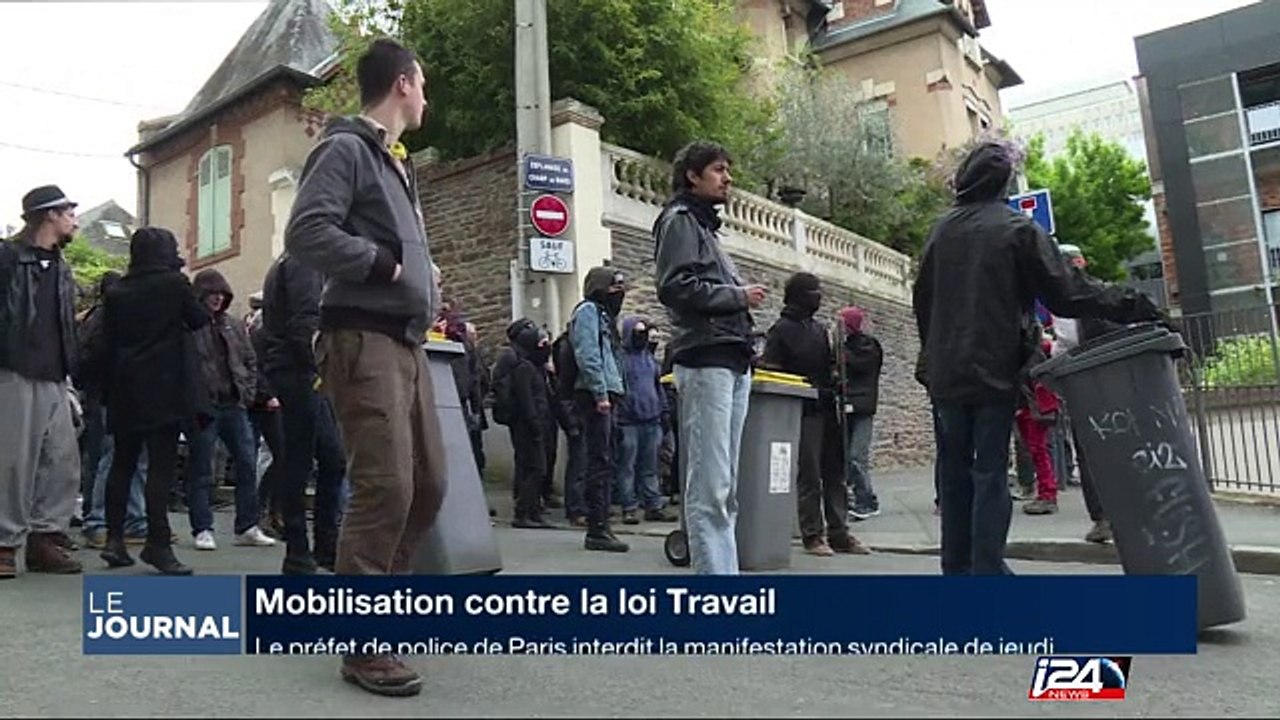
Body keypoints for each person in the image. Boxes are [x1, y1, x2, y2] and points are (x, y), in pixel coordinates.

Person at [912, 141, 1161, 576]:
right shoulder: (1017, 230)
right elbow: (1068, 293)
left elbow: (923, 301)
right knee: (990, 471)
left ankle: (958, 570)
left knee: (954, 473)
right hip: (993, 368)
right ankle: (987, 571)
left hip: (946, 372)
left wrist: (933, 356)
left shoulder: (940, 231)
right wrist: (1136, 304)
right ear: (1004, 183)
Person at [285, 37, 445, 697]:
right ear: (403, 82)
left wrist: (426, 279)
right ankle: (363, 640)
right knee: (386, 487)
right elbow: (306, 232)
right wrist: (387, 266)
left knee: (428, 486)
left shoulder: (394, 161)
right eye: (423, 83)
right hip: (361, 338)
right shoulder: (347, 148)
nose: (427, 96)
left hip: (406, 341)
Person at [653, 141, 767, 575]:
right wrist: (737, 296)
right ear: (692, 175)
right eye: (719, 169)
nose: (728, 178)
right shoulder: (680, 220)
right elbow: (675, 287)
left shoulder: (702, 227)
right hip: (707, 360)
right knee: (711, 486)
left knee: (724, 486)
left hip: (729, 358)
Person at [91, 227, 211, 574]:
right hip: (165, 387)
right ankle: (157, 543)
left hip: (125, 387)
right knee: (160, 467)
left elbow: (106, 341)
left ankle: (114, 539)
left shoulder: (117, 291)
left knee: (122, 464)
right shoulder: (174, 284)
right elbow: (199, 319)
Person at [0, 185, 85, 578]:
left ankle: (44, 539)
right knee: (12, 463)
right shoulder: (7, 257)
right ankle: (5, 542)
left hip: (55, 373)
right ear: (50, 214)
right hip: (14, 369)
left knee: (61, 461)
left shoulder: (61, 266)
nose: (74, 221)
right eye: (69, 213)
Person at [763, 274, 865, 556]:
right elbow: (771, 368)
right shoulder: (781, 330)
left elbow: (829, 365)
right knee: (809, 473)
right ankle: (812, 534)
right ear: (800, 295)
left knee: (835, 472)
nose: (819, 297)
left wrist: (836, 373)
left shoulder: (819, 330)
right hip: (802, 408)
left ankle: (839, 532)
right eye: (814, 292)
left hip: (827, 405)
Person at [261, 251, 348, 574]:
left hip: (297, 368)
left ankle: (318, 545)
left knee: (326, 457)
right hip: (299, 370)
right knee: (303, 458)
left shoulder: (297, 261)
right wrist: (320, 368)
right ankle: (301, 547)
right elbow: (306, 320)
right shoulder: (305, 261)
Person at [186, 269, 276, 551]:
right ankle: (203, 527)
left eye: (221, 294)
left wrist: (246, 393)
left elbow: (249, 360)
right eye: (212, 294)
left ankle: (247, 525)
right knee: (202, 468)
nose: (217, 298)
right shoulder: (190, 326)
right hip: (205, 405)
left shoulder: (233, 325)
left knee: (246, 463)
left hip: (233, 403)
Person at [569, 266, 630, 552]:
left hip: (609, 392)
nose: (620, 293)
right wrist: (600, 392)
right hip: (596, 395)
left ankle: (602, 523)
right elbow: (588, 353)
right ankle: (597, 528)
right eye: (614, 287)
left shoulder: (604, 315)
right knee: (599, 461)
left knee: (607, 461)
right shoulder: (588, 312)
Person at [615, 317, 677, 524]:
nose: (643, 337)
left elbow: (658, 388)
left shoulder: (649, 359)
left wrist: (664, 412)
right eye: (638, 332)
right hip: (628, 422)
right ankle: (629, 507)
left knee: (651, 467)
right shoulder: (620, 360)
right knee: (627, 467)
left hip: (652, 420)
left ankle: (653, 505)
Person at [837, 305, 884, 522]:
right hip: (846, 405)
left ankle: (867, 501)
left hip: (862, 407)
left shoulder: (868, 346)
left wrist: (842, 356)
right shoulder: (845, 346)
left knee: (857, 456)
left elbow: (861, 365)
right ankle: (853, 497)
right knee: (845, 457)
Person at [508, 323, 557, 529]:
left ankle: (534, 511)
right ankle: (522, 512)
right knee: (535, 468)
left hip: (540, 425)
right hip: (528, 428)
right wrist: (535, 424)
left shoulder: (536, 369)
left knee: (539, 469)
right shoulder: (524, 369)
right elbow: (527, 400)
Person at [1016, 326, 1061, 516]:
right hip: (1030, 405)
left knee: (1037, 448)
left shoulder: (1032, 354)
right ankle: (1046, 491)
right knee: (1035, 448)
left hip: (1032, 406)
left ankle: (1048, 493)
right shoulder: (1034, 352)